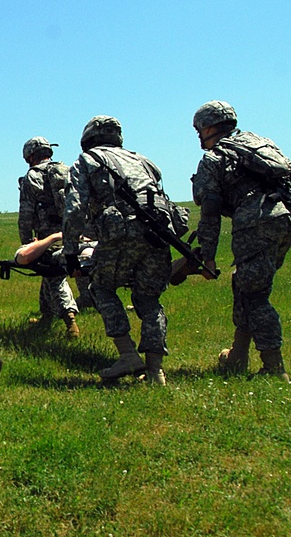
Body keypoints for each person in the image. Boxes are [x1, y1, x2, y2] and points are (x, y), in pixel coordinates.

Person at [191, 100, 291, 381]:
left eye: (199, 129)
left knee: (256, 296)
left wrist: (208, 256)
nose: (199, 135)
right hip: (287, 218)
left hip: (256, 223)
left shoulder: (215, 158)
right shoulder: (260, 143)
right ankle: (238, 355)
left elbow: (210, 210)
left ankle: (275, 369)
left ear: (210, 127)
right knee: (245, 284)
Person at [62, 116, 175, 385]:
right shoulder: (143, 161)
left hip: (121, 235)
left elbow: (75, 207)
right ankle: (155, 370)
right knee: (148, 299)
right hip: (158, 234)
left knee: (100, 288)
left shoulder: (87, 161)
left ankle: (127, 355)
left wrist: (70, 252)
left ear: (87, 139)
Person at [18, 137, 79, 337]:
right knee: (48, 272)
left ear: (30, 157)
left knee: (54, 273)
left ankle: (70, 319)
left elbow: (26, 213)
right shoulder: (67, 170)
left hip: (49, 236)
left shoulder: (32, 177)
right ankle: (47, 314)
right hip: (73, 232)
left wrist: (27, 242)